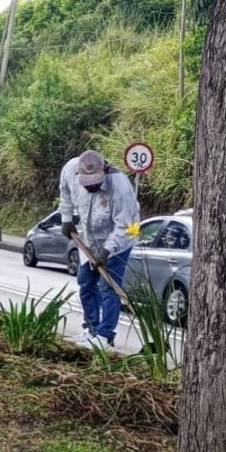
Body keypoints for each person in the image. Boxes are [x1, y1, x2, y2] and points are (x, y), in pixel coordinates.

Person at [59, 150, 139, 349]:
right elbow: (65, 194)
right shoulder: (70, 169)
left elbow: (126, 226)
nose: (92, 186)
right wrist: (66, 219)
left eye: (95, 182)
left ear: (104, 172)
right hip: (88, 239)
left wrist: (106, 251)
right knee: (85, 282)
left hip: (121, 240)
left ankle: (105, 336)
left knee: (108, 286)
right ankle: (91, 329)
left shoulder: (119, 187)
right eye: (87, 183)